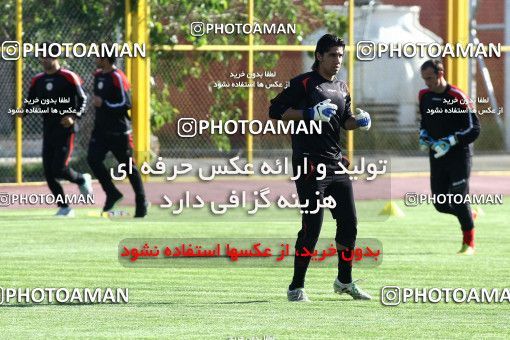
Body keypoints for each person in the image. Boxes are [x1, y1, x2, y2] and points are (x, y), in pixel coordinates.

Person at [268, 34, 372, 302]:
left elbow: (344, 121)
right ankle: (296, 287)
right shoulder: (304, 83)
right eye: (333, 55)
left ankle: (344, 281)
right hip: (309, 163)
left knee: (349, 223)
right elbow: (275, 110)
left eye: (341, 55)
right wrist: (308, 114)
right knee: (312, 226)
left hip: (335, 163)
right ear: (319, 56)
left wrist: (357, 121)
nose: (338, 61)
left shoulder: (341, 87)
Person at [418, 59, 480, 255]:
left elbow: (474, 129)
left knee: (459, 199)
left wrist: (451, 140)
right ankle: (468, 215)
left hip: (459, 156)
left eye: (429, 78)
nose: (427, 83)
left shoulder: (458, 96)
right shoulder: (424, 96)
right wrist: (423, 134)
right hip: (437, 155)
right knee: (440, 204)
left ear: (440, 74)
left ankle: (468, 243)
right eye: (424, 79)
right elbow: (425, 122)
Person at [23, 47, 92, 217]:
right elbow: (31, 101)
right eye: (41, 56)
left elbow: (83, 99)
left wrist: (73, 116)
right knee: (48, 172)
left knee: (59, 168)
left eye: (46, 56)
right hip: (48, 130)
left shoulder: (68, 77)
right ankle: (65, 207)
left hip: (65, 130)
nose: (43, 59)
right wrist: (22, 111)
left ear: (55, 56)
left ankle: (82, 179)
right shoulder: (37, 80)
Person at [87, 55, 148, 218]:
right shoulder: (97, 75)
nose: (95, 57)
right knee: (93, 159)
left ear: (106, 58)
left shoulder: (118, 77)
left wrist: (104, 103)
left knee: (128, 167)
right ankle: (112, 192)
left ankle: (141, 201)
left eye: (98, 54)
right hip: (100, 131)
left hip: (118, 132)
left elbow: (125, 104)